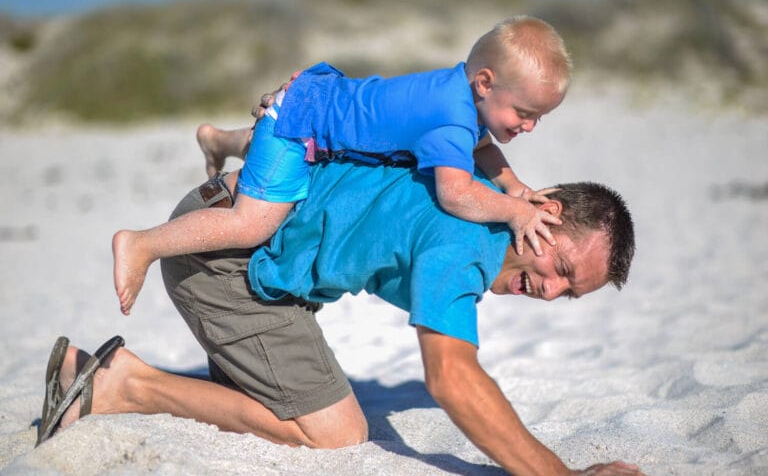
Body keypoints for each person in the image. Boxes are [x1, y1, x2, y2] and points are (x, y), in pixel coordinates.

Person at [39, 143, 641, 475]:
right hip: (222, 256)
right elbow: (453, 378)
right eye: (562, 269)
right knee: (336, 432)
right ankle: (124, 385)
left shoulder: (478, 189)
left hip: (239, 228)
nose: (553, 291)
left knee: (271, 411)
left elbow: (470, 138)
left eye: (571, 293)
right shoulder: (465, 245)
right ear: (549, 207)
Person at [112, 15, 573, 314]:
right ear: (485, 83)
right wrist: (515, 212)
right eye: (525, 113)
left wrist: (513, 185)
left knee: (268, 151)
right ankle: (142, 244)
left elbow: (482, 149)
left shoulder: (459, 100)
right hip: (302, 126)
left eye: (539, 118)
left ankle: (220, 140)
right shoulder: (452, 119)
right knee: (254, 223)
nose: (530, 126)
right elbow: (455, 193)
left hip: (313, 103)